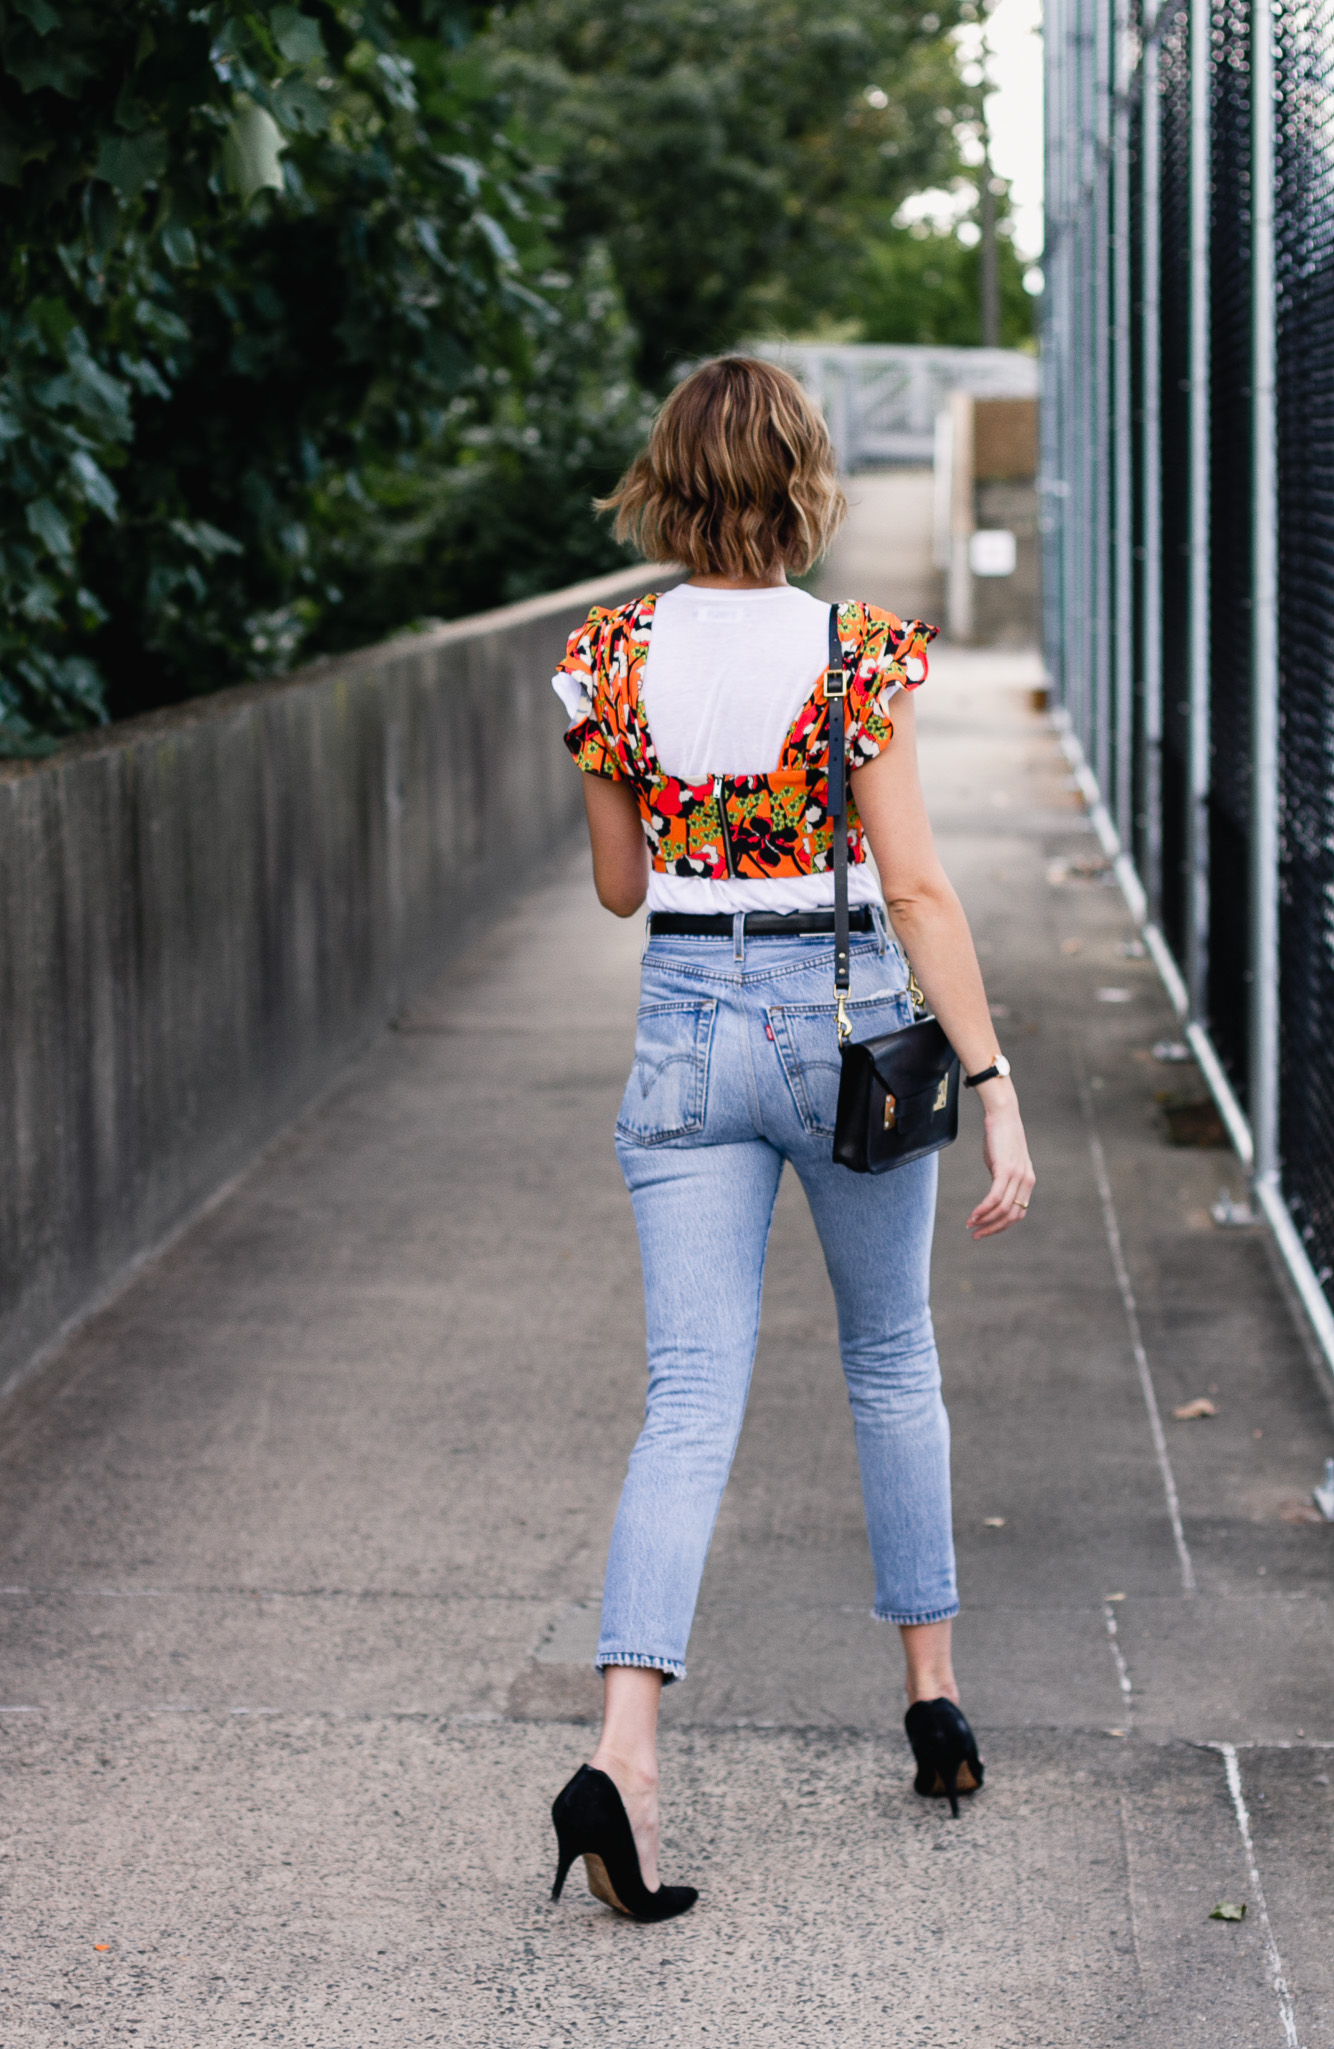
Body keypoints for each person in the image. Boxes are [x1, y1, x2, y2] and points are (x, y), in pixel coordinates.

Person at [546, 356, 1035, 1924]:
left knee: (686, 1396)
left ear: (670, 483)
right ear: (802, 480)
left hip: (685, 1027)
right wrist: (993, 1077)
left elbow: (621, 891)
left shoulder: (606, 657)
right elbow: (917, 893)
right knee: (889, 1358)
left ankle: (621, 1756)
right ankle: (933, 1700)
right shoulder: (857, 653)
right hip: (843, 1030)